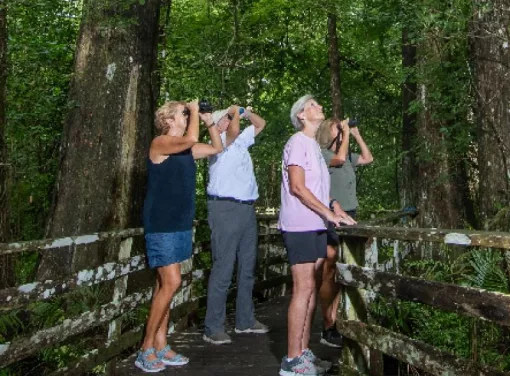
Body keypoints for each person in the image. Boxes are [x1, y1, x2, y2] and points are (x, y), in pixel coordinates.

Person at [136, 100, 223, 373]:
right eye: (182, 114)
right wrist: (194, 110)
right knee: (172, 282)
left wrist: (209, 120)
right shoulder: (160, 143)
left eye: (186, 114)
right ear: (168, 120)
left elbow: (217, 148)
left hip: (180, 224)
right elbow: (192, 138)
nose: (186, 117)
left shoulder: (186, 150)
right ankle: (145, 349)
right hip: (161, 223)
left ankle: (161, 345)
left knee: (166, 285)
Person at [278, 95, 356, 376]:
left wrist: (336, 207)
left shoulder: (313, 145)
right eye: (312, 105)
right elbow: (298, 187)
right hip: (300, 225)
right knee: (302, 290)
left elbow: (321, 188)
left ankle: (303, 353)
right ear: (301, 115)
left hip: (316, 225)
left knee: (311, 289)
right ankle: (291, 360)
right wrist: (328, 213)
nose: (318, 106)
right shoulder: (297, 142)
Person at [203, 104, 269, 345]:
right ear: (220, 123)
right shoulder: (218, 142)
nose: (230, 122)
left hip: (246, 208)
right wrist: (233, 112)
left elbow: (261, 124)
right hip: (225, 208)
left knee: (247, 267)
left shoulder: (241, 142)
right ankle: (213, 327)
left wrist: (246, 111)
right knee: (224, 267)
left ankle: (245, 320)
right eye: (227, 119)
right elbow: (231, 132)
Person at [317, 117, 374, 347]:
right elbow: (339, 159)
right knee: (330, 268)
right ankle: (327, 323)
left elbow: (368, 158)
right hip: (331, 213)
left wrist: (356, 133)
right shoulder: (323, 155)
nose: (340, 130)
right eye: (336, 128)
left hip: (350, 214)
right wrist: (345, 133)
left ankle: (340, 320)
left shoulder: (346, 156)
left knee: (345, 267)